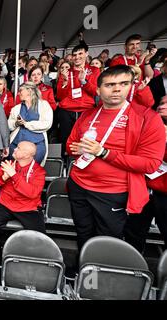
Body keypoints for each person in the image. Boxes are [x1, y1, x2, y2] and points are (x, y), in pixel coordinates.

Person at [66, 65, 166, 250]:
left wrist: (104, 153)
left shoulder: (147, 117)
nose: (117, 89)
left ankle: (102, 275)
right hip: (79, 185)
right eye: (110, 85)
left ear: (131, 86)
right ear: (98, 89)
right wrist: (79, 149)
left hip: (113, 192)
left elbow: (151, 164)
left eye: (123, 83)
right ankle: (84, 267)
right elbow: (70, 144)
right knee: (83, 232)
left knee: (107, 240)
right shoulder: (88, 114)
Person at [0, 141, 46, 258]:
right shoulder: (9, 164)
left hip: (28, 207)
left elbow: (32, 193)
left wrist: (14, 175)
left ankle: (32, 259)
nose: (14, 149)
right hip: (5, 203)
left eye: (18, 148)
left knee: (39, 235)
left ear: (27, 155)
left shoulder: (39, 171)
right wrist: (3, 177)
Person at [124, 96, 167, 252]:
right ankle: (132, 268)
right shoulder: (147, 127)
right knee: (133, 232)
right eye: (161, 103)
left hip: (164, 193)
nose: (162, 106)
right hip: (143, 188)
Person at [57, 44, 100, 156]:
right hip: (67, 110)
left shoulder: (93, 70)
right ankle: (66, 164)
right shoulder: (67, 72)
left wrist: (83, 81)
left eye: (80, 54)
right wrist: (65, 82)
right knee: (66, 138)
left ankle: (84, 162)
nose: (77, 57)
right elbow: (60, 96)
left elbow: (95, 91)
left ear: (86, 54)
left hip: (86, 110)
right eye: (74, 55)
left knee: (86, 138)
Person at [8, 82, 53, 165]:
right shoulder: (16, 108)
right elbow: (9, 125)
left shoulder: (44, 105)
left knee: (32, 169)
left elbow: (47, 123)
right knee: (15, 170)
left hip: (36, 144)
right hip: (16, 145)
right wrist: (16, 123)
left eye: (21, 90)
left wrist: (26, 124)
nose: (18, 93)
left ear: (29, 91)